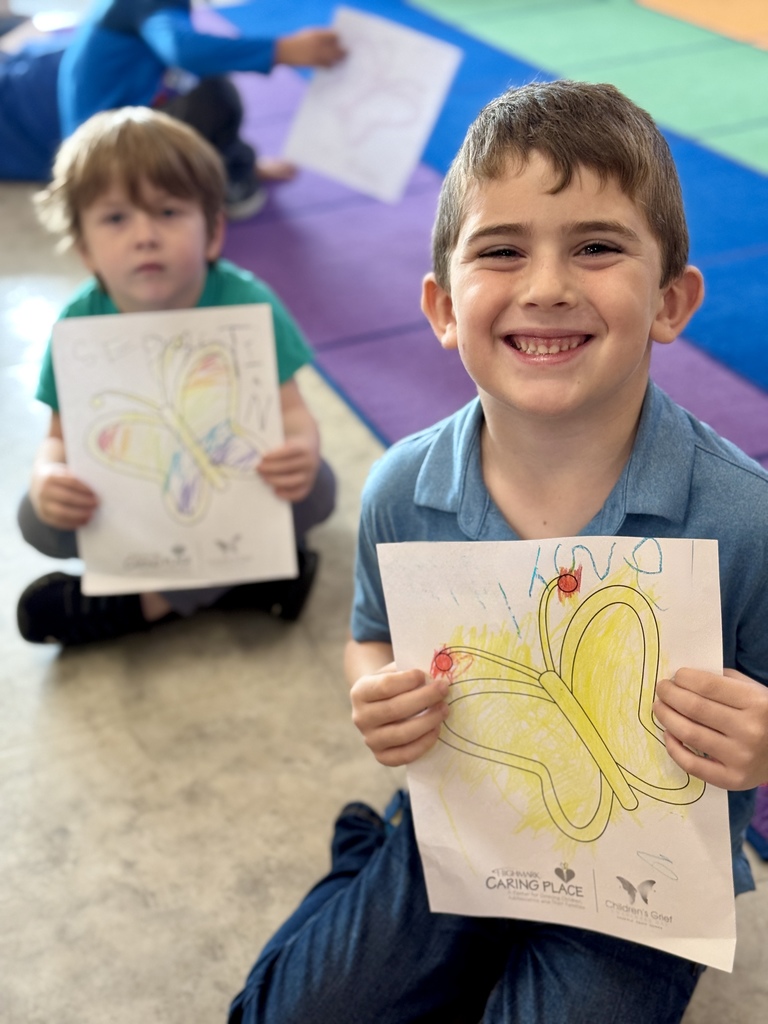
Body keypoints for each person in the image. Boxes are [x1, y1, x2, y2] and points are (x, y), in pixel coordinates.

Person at [227, 80, 768, 1023]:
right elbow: (372, 633)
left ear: (672, 301)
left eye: (596, 247)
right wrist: (377, 691)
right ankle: (368, 856)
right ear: (442, 306)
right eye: (502, 250)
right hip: (460, 827)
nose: (548, 285)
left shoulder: (741, 517)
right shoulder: (403, 488)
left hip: (639, 885)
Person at [16, 106, 335, 647]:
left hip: (228, 489)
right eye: (116, 218)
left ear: (212, 231)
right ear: (84, 248)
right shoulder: (78, 323)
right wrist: (50, 479)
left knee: (318, 490)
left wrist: (299, 452)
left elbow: (291, 415)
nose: (145, 235)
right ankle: (248, 583)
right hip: (134, 512)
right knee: (36, 519)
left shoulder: (248, 303)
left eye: (167, 212)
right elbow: (58, 441)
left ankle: (142, 605)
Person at [0, 1, 345, 216]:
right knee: (211, 93)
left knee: (192, 88)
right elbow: (183, 50)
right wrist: (281, 50)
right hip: (102, 158)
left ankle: (230, 166)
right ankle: (219, 183)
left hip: (103, 140)